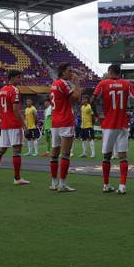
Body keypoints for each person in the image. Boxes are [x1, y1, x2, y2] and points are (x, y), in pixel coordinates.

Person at [93, 63, 134, 194]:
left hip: (108, 124)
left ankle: (106, 185)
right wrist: (132, 114)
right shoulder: (127, 84)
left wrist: (97, 115)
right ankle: (122, 186)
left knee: (107, 156)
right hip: (122, 123)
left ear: (110, 72)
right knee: (123, 156)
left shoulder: (103, 83)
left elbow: (92, 100)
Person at [0, 70, 31, 186]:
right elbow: (16, 109)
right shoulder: (14, 90)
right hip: (14, 124)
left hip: (5, 124)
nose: (20, 79)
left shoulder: (2, 90)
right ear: (12, 78)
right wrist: (24, 126)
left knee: (1, 150)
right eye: (18, 77)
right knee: (17, 151)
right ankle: (17, 178)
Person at [49, 62, 81, 192]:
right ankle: (62, 184)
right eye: (69, 71)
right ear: (62, 72)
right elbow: (76, 98)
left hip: (55, 122)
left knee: (54, 154)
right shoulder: (63, 83)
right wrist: (77, 83)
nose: (71, 73)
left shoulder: (54, 83)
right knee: (65, 154)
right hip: (65, 121)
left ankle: (54, 183)